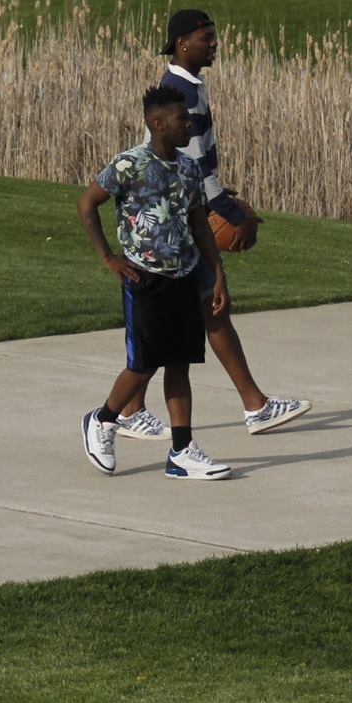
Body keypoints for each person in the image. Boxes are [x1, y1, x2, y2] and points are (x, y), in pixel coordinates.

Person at [112, 8, 310, 443]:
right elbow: (193, 164)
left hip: (180, 209)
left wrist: (222, 194)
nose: (214, 44)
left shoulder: (187, 85)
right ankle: (250, 406)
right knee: (205, 311)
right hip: (178, 220)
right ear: (184, 42)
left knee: (202, 313)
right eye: (206, 37)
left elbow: (195, 163)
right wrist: (231, 211)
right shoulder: (181, 91)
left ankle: (248, 404)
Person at [76, 84, 233, 481]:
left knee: (180, 363)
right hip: (143, 279)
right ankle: (103, 419)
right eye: (182, 119)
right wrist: (109, 258)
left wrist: (217, 274)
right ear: (157, 123)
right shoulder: (130, 165)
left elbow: (200, 225)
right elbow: (86, 204)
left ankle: (181, 451)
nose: (189, 124)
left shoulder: (189, 168)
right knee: (143, 363)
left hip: (184, 276)